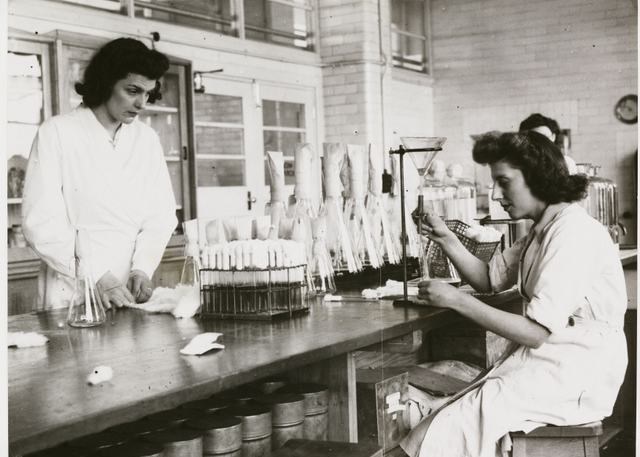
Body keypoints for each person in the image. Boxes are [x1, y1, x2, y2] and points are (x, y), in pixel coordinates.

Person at [401, 131, 627, 457]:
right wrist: (446, 238)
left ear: (538, 177)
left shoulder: (573, 233)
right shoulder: (544, 228)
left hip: (579, 372)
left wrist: (457, 299)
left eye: (504, 182)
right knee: (446, 419)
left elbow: (535, 333)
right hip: (555, 362)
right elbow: (489, 279)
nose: (495, 194)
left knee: (449, 424)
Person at [22, 38, 177, 310]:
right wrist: (94, 274)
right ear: (106, 82)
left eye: (147, 93)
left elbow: (161, 216)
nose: (141, 103)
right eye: (133, 90)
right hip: (72, 289)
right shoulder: (57, 133)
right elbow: (41, 223)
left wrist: (142, 268)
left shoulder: (146, 140)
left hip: (127, 292)